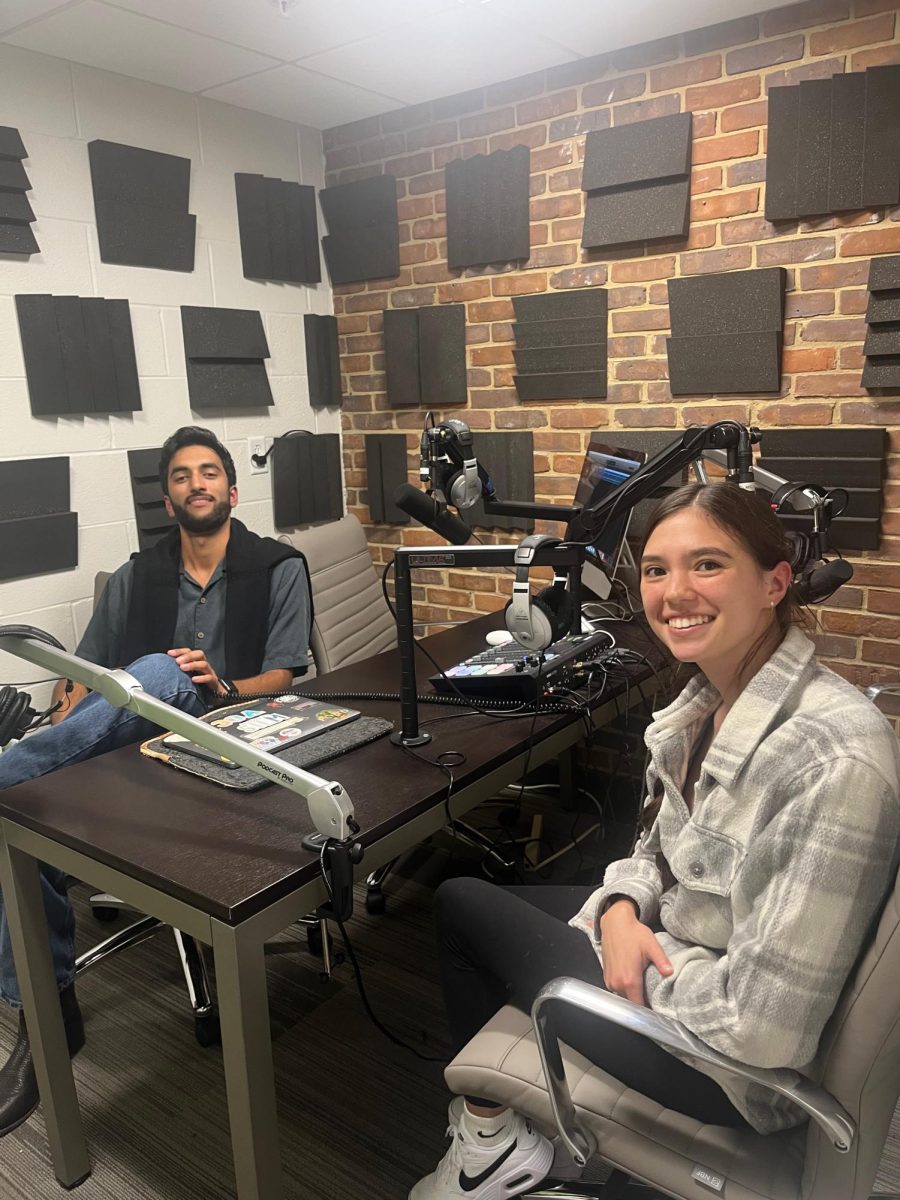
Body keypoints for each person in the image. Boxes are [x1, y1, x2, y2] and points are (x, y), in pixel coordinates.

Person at [410, 481, 900, 1200]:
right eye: (658, 569)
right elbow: (657, 854)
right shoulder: (705, 703)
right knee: (502, 902)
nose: (674, 592)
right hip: (689, 950)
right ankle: (510, 1134)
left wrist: (641, 968)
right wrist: (618, 913)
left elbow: (760, 1032)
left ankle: (490, 1154)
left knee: (460, 905)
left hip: (731, 1074)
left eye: (708, 564)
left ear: (775, 583)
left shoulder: (830, 761)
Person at [0, 425, 311, 1135]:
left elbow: (284, 678)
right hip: (132, 756)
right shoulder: (137, 574)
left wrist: (220, 681)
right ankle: (47, 1020)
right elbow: (82, 680)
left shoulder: (280, 565)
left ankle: (6, 776)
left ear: (231, 492)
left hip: (230, 738)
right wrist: (58, 725)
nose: (195, 483)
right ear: (168, 500)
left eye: (208, 473)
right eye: (180, 475)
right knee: (23, 821)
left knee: (163, 670)